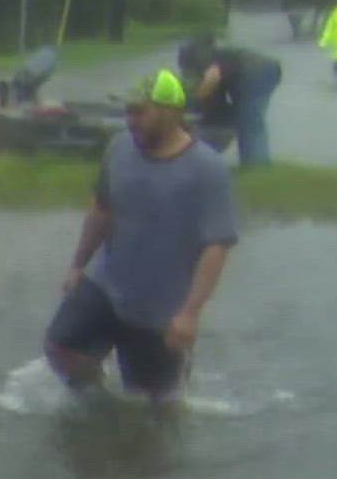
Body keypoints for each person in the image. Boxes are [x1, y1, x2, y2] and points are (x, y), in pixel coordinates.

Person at [45, 71, 238, 408]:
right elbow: (102, 209)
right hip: (107, 285)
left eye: (139, 112)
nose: (130, 120)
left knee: (157, 406)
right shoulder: (119, 148)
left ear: (169, 112)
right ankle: (100, 408)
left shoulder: (206, 169)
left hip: (159, 310)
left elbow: (216, 247)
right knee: (60, 347)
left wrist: (189, 314)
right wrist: (77, 265)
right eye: (128, 111)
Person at [177, 37, 284, 167]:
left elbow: (212, 78)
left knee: (250, 120)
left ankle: (256, 164)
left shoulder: (206, 57)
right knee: (248, 119)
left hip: (255, 71)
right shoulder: (217, 55)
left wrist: (195, 99)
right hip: (264, 70)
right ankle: (252, 162)